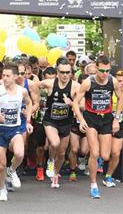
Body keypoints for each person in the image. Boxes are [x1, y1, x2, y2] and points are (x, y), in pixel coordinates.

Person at [72, 56, 123, 199]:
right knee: (94, 152)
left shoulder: (113, 81)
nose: (105, 73)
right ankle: (94, 185)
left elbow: (120, 99)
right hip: (91, 118)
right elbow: (75, 103)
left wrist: (116, 119)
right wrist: (81, 120)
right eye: (101, 70)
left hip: (106, 119)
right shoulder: (88, 82)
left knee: (105, 155)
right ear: (96, 68)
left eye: (107, 70)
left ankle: (96, 165)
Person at [0, 64, 34, 202]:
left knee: (19, 153)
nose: (4, 78)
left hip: (15, 127)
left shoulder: (22, 91)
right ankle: (3, 188)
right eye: (3, 75)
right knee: (0, 165)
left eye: (7, 75)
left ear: (15, 77)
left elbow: (29, 104)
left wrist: (28, 120)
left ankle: (12, 170)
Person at [40, 58, 80, 188]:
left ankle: (55, 175)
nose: (64, 75)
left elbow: (83, 105)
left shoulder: (75, 86)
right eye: (62, 72)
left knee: (62, 153)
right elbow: (33, 85)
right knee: (55, 142)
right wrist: (38, 99)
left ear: (71, 73)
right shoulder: (50, 83)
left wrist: (73, 103)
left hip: (66, 122)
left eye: (67, 72)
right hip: (50, 120)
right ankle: (50, 161)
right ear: (57, 72)